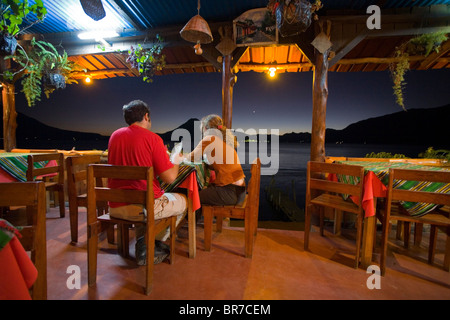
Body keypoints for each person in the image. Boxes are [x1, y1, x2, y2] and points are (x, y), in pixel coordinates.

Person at [108, 99, 186, 266]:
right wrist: (176, 160)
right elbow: (170, 178)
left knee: (148, 197)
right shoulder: (153, 139)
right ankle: (147, 244)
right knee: (184, 201)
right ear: (146, 116)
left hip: (115, 206)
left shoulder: (114, 136)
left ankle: (149, 242)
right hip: (141, 208)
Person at [184, 114, 246, 206]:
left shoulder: (210, 139)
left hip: (229, 193)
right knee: (201, 191)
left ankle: (190, 220)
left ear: (205, 128)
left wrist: (178, 156)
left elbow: (191, 157)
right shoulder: (225, 141)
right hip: (241, 192)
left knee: (191, 196)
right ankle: (197, 220)